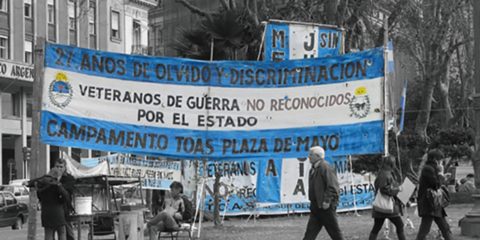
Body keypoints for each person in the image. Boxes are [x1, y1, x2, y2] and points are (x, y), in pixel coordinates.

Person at [302, 146, 344, 240]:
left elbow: (333, 186)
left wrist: (327, 201)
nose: (308, 156)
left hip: (325, 207)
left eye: (311, 154)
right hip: (316, 207)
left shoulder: (325, 167)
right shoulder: (313, 169)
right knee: (309, 234)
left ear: (317, 156)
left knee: (335, 233)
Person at [415, 149, 452, 240]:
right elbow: (435, 185)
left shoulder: (431, 168)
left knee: (444, 227)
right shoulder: (428, 169)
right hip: (429, 203)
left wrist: (442, 177)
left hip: (434, 203)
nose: (442, 161)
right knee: (425, 230)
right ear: (435, 159)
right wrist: (441, 174)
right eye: (441, 159)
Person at [368, 156, 406, 240]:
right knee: (400, 225)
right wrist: (398, 189)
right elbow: (384, 189)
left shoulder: (384, 172)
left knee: (376, 228)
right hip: (388, 205)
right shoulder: (385, 174)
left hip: (381, 207)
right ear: (391, 164)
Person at [35, 168, 70, 240]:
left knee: (48, 234)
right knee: (62, 233)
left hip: (46, 213)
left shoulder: (41, 183)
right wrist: (61, 200)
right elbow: (66, 196)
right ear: (57, 176)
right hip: (58, 213)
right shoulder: (56, 184)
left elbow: (39, 197)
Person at [54, 158, 76, 240]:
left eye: (61, 167)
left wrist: (58, 182)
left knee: (68, 231)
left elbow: (66, 191)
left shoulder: (69, 178)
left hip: (65, 207)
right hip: (54, 208)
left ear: (65, 168)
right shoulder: (51, 177)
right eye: (57, 166)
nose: (59, 169)